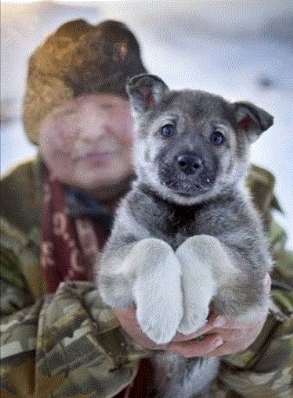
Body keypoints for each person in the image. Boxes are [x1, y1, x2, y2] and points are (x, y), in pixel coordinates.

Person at [0, 19, 292, 398]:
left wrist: (254, 330)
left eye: (107, 106)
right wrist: (109, 323)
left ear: (139, 111)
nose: (91, 131)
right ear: (39, 130)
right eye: (68, 113)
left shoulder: (244, 195)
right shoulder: (7, 215)